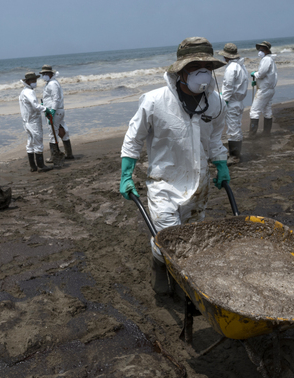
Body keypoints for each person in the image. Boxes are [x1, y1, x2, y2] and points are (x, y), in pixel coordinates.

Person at [119, 37, 230, 294]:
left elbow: (214, 138)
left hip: (199, 185)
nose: (203, 73)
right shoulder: (155, 101)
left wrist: (221, 165)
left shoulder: (215, 103)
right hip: (164, 184)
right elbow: (133, 139)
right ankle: (159, 266)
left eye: (207, 67)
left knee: (191, 241)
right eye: (195, 67)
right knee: (168, 240)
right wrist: (126, 175)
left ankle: (182, 283)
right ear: (180, 71)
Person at [218, 43, 249, 163]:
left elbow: (228, 87)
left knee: (233, 129)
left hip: (232, 102)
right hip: (238, 101)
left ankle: (234, 156)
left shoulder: (231, 68)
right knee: (236, 127)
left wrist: (224, 101)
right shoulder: (241, 66)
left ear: (226, 56)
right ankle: (236, 154)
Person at [19, 72, 52, 173]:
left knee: (30, 143)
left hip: (26, 121)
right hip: (33, 121)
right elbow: (35, 106)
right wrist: (45, 108)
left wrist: (40, 105)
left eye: (35, 80)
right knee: (38, 142)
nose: (35, 82)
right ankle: (41, 166)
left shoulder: (23, 92)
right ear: (28, 82)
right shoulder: (29, 92)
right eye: (32, 81)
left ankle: (33, 166)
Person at [40, 65, 72, 165]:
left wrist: (52, 111)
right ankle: (68, 153)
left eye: (45, 74)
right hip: (58, 111)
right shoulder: (51, 83)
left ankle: (55, 157)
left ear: (51, 74)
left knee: (52, 134)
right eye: (43, 74)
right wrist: (44, 104)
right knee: (62, 130)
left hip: (55, 112)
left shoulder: (52, 84)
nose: (44, 76)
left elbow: (56, 98)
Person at [249, 41, 278, 138]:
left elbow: (261, 74)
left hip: (264, 89)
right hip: (270, 89)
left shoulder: (266, 60)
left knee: (254, 111)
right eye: (259, 49)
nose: (260, 51)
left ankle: (252, 135)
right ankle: (266, 133)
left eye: (262, 49)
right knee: (267, 110)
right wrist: (257, 82)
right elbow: (272, 76)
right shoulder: (271, 60)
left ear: (267, 50)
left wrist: (254, 74)